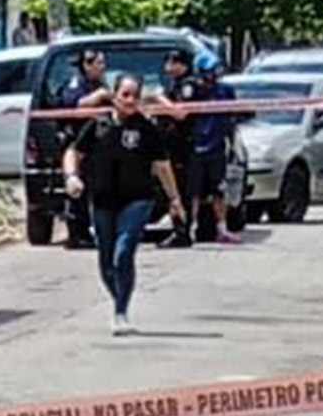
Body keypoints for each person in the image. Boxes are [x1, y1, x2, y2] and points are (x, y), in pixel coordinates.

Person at [63, 74, 188, 334]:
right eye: (125, 95)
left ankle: (121, 312)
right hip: (102, 200)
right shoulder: (98, 125)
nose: (130, 101)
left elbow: (162, 166)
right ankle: (119, 298)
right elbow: (73, 152)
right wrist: (72, 176)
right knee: (106, 261)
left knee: (123, 252)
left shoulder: (146, 129)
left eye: (135, 95)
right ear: (114, 95)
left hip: (137, 199)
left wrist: (174, 200)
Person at [183, 51, 242, 244]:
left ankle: (222, 229)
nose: (214, 75)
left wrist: (233, 145)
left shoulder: (225, 91)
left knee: (219, 190)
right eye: (210, 71)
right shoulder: (192, 91)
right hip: (195, 148)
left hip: (217, 148)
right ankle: (189, 228)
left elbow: (232, 120)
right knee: (194, 193)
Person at [57, 48, 112, 249]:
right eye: (99, 63)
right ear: (87, 65)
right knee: (76, 188)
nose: (102, 67)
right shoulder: (76, 83)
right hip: (76, 142)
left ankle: (93, 231)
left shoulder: (100, 84)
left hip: (96, 145)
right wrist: (98, 96)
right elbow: (74, 106)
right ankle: (77, 234)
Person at [158, 49, 198, 248]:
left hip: (183, 145)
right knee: (171, 187)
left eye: (174, 62)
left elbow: (181, 113)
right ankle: (177, 228)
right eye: (168, 62)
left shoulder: (188, 85)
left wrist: (159, 100)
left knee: (180, 188)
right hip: (170, 144)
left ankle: (182, 231)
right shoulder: (173, 84)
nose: (169, 67)